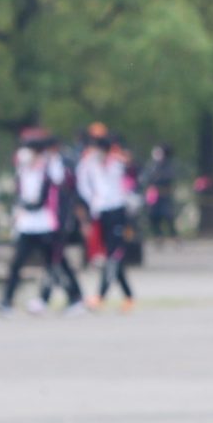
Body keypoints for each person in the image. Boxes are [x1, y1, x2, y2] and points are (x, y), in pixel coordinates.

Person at [0, 130, 85, 317]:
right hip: (27, 225)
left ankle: (75, 297)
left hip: (46, 224)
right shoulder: (23, 169)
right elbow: (21, 194)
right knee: (17, 262)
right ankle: (6, 301)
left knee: (57, 262)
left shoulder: (51, 166)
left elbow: (60, 184)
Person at [76, 126, 135, 310]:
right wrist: (92, 200)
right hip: (101, 211)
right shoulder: (88, 163)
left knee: (113, 254)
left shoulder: (118, 163)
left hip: (118, 210)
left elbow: (132, 182)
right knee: (111, 254)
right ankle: (129, 296)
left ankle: (100, 295)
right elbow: (82, 184)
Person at [142, 144, 178, 242]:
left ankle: (174, 235)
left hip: (165, 194)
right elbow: (145, 177)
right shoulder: (152, 165)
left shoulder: (168, 165)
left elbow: (169, 177)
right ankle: (158, 235)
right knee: (153, 216)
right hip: (154, 196)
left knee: (168, 216)